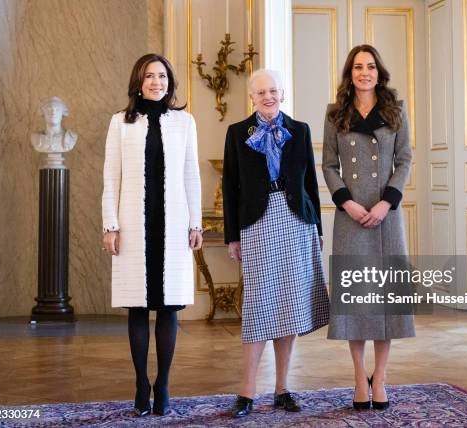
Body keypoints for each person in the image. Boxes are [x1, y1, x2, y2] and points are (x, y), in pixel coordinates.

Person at [223, 69, 329, 418]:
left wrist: (318, 227)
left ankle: (282, 388)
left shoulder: (300, 130)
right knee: (258, 304)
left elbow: (310, 181)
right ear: (251, 97)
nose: (267, 96)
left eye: (273, 90)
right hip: (256, 222)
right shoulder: (238, 133)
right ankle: (247, 391)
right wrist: (232, 235)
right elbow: (230, 188)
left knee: (289, 304)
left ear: (282, 93)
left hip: (296, 220)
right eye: (260, 92)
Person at [101, 53, 203, 417]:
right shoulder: (120, 122)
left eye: (162, 76)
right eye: (149, 76)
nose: (156, 82)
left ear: (169, 82)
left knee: (168, 307)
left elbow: (192, 174)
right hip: (133, 224)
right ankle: (140, 384)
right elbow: (111, 176)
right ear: (138, 82)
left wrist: (196, 223)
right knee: (138, 306)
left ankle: (163, 385)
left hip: (173, 224)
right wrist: (110, 225)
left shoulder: (184, 122)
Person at [322, 45, 415, 411]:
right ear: (350, 73)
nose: (365, 72)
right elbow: (329, 165)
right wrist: (347, 201)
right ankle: (360, 377)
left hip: (385, 215)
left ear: (379, 72)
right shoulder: (335, 114)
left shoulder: (396, 110)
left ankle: (382, 375)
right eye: (358, 67)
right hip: (351, 215)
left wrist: (385, 202)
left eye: (371, 66)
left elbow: (405, 159)